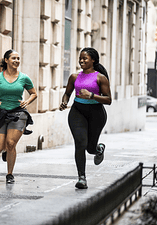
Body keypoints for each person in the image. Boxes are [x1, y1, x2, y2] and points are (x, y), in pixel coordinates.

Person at [59, 47, 112, 189]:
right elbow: (67, 93)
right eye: (80, 58)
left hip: (96, 113)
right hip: (77, 111)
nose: (81, 61)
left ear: (93, 60)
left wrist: (92, 96)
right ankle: (82, 177)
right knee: (80, 143)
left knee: (90, 148)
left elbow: (108, 100)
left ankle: (98, 148)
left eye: (85, 58)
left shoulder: (101, 77)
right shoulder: (74, 77)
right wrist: (64, 102)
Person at [0, 49, 37, 184]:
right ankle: (5, 151)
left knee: (11, 143)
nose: (16, 61)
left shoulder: (24, 78)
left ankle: (9, 174)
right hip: (1, 113)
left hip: (18, 113)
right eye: (13, 58)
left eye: (18, 58)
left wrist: (27, 101)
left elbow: (34, 93)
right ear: (6, 60)